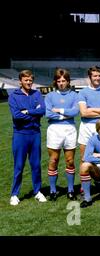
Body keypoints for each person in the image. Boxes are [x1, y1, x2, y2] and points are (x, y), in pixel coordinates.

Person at [8, 70, 47, 206]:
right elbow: (16, 116)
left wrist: (28, 111)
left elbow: (42, 110)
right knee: (19, 166)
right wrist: (34, 114)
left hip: (35, 134)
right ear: (21, 81)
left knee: (36, 165)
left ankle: (37, 191)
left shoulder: (36, 94)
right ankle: (14, 194)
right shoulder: (13, 96)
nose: (29, 82)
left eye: (30, 80)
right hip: (20, 135)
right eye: (26, 80)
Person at [45, 68, 79, 201]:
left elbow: (75, 111)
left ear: (68, 81)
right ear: (55, 82)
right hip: (54, 129)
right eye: (58, 81)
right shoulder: (49, 96)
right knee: (53, 160)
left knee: (70, 161)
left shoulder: (75, 95)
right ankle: (53, 190)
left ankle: (70, 190)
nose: (61, 83)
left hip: (70, 129)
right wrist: (65, 115)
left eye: (64, 80)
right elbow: (48, 113)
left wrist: (58, 111)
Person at [77, 66, 100, 171]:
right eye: (95, 76)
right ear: (90, 77)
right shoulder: (83, 92)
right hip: (86, 126)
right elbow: (83, 113)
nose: (97, 78)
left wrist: (91, 109)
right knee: (84, 157)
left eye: (99, 76)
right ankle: (84, 186)